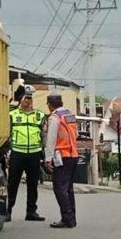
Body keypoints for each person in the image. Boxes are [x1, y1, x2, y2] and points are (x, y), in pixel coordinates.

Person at [6, 84, 46, 222]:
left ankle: (31, 211)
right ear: (20, 99)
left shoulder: (39, 115)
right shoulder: (12, 115)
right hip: (17, 153)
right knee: (13, 183)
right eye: (25, 98)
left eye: (29, 98)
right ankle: (8, 211)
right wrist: (7, 153)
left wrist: (45, 152)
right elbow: (7, 134)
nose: (27, 101)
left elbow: (44, 135)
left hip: (34, 153)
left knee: (33, 184)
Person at [43, 93, 79, 229]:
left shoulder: (54, 117)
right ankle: (72, 218)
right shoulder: (70, 115)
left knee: (59, 188)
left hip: (62, 155)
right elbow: (75, 134)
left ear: (49, 105)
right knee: (68, 188)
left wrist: (48, 158)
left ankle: (66, 218)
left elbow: (51, 138)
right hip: (73, 154)